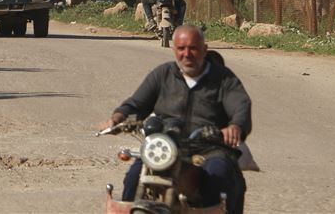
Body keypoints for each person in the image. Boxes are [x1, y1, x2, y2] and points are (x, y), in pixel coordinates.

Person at [99, 25, 251, 214]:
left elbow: (240, 106)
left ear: (204, 49)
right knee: (133, 177)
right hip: (166, 146)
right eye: (181, 48)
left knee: (219, 175)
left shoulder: (223, 78)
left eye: (193, 48)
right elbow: (136, 103)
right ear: (174, 50)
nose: (187, 54)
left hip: (208, 148)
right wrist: (117, 118)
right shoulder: (163, 74)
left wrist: (235, 126)